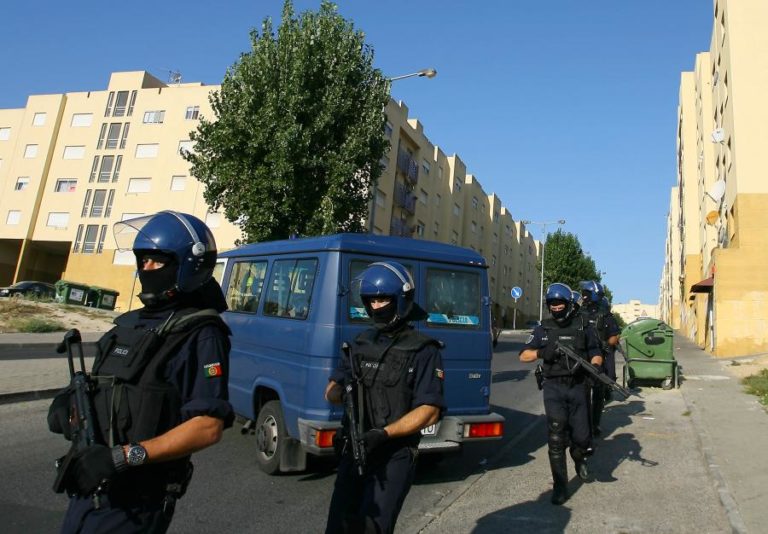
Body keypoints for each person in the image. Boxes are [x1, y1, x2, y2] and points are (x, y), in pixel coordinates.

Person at [48, 210, 234, 533]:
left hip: (137, 504)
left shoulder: (201, 333)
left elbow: (207, 426)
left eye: (156, 261)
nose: (145, 269)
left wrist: (124, 457)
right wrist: (68, 407)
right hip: (88, 490)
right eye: (142, 260)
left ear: (188, 266)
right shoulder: (128, 325)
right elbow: (107, 390)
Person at [324, 261, 445, 533]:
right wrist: (346, 394)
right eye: (371, 300)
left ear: (401, 300)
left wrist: (384, 434)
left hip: (393, 455)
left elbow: (429, 410)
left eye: (383, 299)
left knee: (373, 529)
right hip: (353, 449)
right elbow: (331, 391)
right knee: (338, 527)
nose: (376, 306)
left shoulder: (423, 350)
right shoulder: (360, 344)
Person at [519, 283, 603, 505]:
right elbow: (524, 355)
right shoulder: (543, 329)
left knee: (582, 438)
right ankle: (560, 487)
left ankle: (579, 457)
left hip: (578, 386)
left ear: (569, 304)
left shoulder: (584, 325)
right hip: (553, 387)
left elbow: (596, 352)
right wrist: (541, 352)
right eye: (551, 304)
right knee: (556, 436)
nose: (555, 307)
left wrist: (595, 365)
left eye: (559, 303)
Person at [579, 281, 621, 438]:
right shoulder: (581, 313)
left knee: (592, 394)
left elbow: (614, 336)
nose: (584, 296)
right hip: (589, 359)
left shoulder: (600, 314)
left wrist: (603, 345)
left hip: (593, 360)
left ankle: (591, 425)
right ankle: (587, 425)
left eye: (586, 293)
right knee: (588, 395)